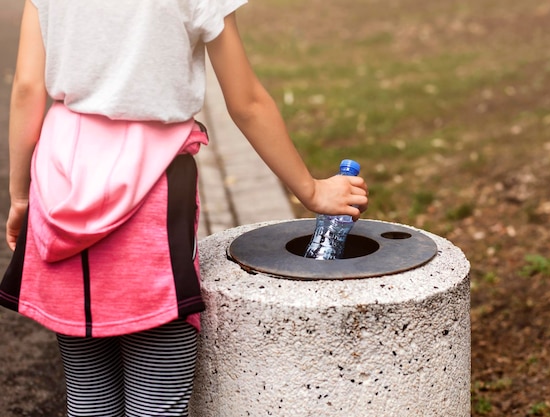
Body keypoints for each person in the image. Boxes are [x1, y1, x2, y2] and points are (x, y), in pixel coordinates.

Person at [1, 0, 369, 416]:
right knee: (158, 388)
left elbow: (28, 88)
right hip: (150, 194)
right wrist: (312, 190)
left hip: (60, 184)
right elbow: (246, 101)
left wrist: (22, 198)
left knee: (89, 396)